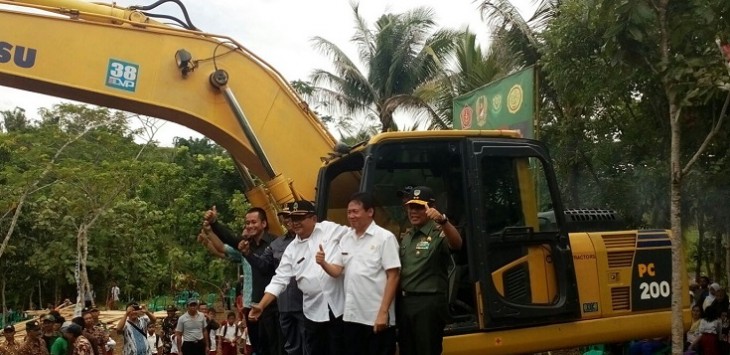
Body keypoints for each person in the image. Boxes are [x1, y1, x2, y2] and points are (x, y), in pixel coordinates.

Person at [249, 200, 349, 355]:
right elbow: (279, 280)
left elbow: (354, 235)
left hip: (338, 307)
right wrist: (261, 305)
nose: (295, 223)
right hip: (313, 312)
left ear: (314, 219)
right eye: (292, 218)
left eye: (299, 218)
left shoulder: (330, 229)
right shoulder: (291, 250)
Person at [316, 192, 400, 355]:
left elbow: (393, 276)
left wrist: (383, 313)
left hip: (375, 317)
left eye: (355, 211)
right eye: (349, 212)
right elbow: (337, 271)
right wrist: (323, 263)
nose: (351, 216)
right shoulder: (347, 238)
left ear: (370, 212)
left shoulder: (384, 238)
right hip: (352, 316)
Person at [397, 186, 462, 355]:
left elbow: (457, 244)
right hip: (406, 303)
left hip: (428, 304)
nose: (413, 212)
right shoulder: (407, 236)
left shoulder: (438, 232)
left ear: (431, 207)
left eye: (419, 207)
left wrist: (443, 221)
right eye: (411, 207)